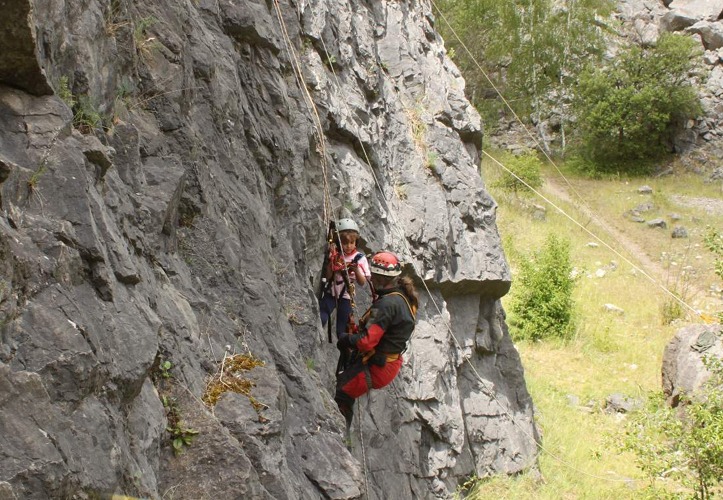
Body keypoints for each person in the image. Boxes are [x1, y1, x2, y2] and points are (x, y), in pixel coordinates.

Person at [334, 251, 418, 429]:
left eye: (374, 276)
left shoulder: (387, 305)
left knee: (342, 391)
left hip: (378, 366)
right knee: (346, 387)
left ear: (381, 278)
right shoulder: (402, 297)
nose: (371, 279)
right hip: (387, 363)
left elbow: (366, 342)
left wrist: (346, 339)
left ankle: (339, 434)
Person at [319, 218, 371, 340]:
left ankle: (345, 354)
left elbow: (362, 282)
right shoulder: (336, 254)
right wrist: (332, 262)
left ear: (356, 242)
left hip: (346, 296)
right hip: (331, 292)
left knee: (342, 331)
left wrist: (356, 269)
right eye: (345, 243)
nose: (348, 246)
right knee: (322, 316)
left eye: (352, 243)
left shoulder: (359, 258)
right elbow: (328, 276)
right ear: (339, 242)